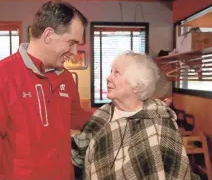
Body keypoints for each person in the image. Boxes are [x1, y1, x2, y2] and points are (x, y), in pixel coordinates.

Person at [0, 0, 92, 180]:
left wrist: (116, 112)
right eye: (72, 42)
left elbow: (76, 118)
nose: (74, 51)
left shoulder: (65, 77)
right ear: (48, 35)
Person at [72, 51, 200, 180]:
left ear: (137, 86)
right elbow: (79, 151)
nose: (108, 77)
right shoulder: (102, 114)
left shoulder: (159, 120)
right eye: (111, 72)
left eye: (116, 73)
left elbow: (175, 171)